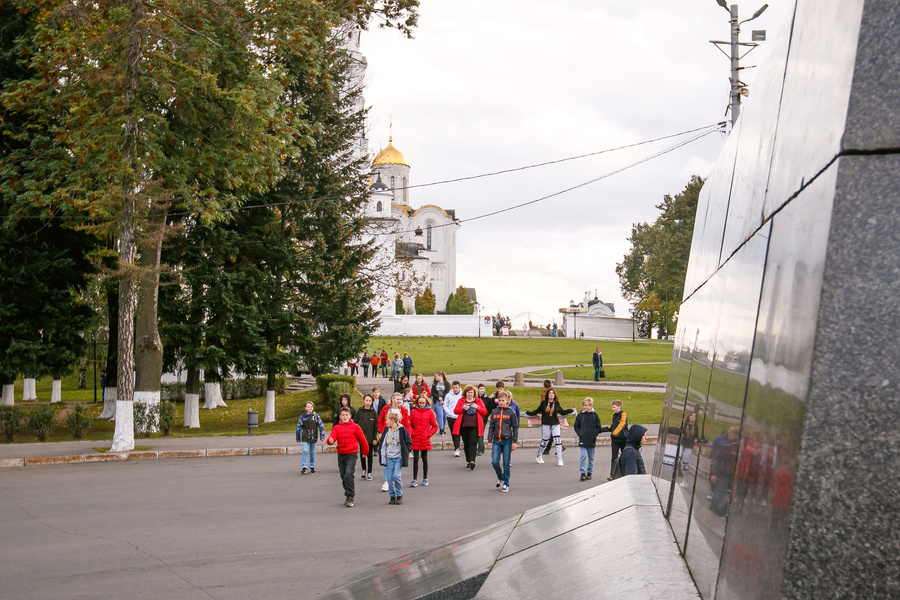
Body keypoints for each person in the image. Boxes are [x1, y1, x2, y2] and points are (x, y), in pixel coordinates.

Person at [326, 407, 369, 508]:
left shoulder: (355, 427)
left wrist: (365, 451)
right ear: (340, 417)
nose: (344, 417)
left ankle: (350, 496)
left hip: (351, 454)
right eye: (343, 415)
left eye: (346, 415)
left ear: (350, 416)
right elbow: (332, 437)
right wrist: (330, 440)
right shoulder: (336, 428)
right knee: (343, 475)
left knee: (348, 474)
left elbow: (362, 440)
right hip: (341, 454)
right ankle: (348, 492)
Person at [526, 388, 573, 467]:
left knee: (557, 440)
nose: (551, 394)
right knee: (545, 441)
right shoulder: (543, 403)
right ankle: (539, 456)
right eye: (550, 393)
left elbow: (561, 411)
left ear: (555, 395)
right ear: (547, 395)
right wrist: (528, 413)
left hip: (555, 424)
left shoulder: (556, 403)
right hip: (546, 424)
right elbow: (536, 411)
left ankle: (560, 459)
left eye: (553, 393)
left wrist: (570, 410)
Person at [486, 389, 519, 492]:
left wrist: (514, 442)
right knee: (495, 461)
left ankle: (506, 483)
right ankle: (500, 477)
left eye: (502, 400)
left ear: (507, 401)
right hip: (496, 440)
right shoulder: (494, 412)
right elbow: (491, 427)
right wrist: (489, 440)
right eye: (499, 400)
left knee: (506, 463)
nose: (501, 402)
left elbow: (515, 427)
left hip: (507, 441)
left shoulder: (511, 412)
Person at [376, 411, 411, 505]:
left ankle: (399, 494)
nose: (386, 422)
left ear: (392, 421)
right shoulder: (386, 431)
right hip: (389, 458)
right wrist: (383, 457)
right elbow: (383, 445)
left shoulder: (402, 430)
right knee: (390, 478)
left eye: (387, 420)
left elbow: (408, 442)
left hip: (398, 458)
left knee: (396, 476)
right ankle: (392, 496)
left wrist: (406, 452)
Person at [452, 384, 487, 470]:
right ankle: (468, 460)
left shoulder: (478, 401)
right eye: (468, 393)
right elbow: (455, 411)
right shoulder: (461, 401)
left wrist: (478, 407)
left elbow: (484, 412)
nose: (470, 394)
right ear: (465, 393)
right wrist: (462, 408)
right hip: (464, 426)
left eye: (471, 393)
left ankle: (472, 461)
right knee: (466, 443)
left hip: (475, 426)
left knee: (473, 442)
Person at [574, 397, 608, 481]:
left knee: (591, 457)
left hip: (591, 439)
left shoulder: (594, 416)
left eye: (586, 405)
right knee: (583, 456)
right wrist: (579, 433)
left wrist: (594, 433)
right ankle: (582, 473)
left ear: (590, 406)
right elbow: (576, 426)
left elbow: (598, 427)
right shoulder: (580, 415)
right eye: (583, 405)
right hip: (583, 439)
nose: (585, 407)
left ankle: (589, 472)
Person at [408, 393, 438, 487]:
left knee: (424, 458)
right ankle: (414, 479)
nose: (421, 404)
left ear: (426, 403)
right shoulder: (413, 412)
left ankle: (425, 478)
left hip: (425, 438)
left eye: (423, 403)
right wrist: (412, 433)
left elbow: (435, 426)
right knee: (415, 459)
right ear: (417, 402)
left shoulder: (430, 412)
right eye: (420, 403)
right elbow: (409, 424)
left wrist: (428, 434)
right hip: (416, 437)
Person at [709, 426, 740, 516]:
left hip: (734, 475)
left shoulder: (740, 449)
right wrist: (714, 473)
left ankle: (722, 513)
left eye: (734, 435)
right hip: (724, 473)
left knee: (730, 497)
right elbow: (718, 459)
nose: (732, 436)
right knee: (719, 493)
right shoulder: (727, 447)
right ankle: (712, 510)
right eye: (731, 434)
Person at [353, 394, 379, 481]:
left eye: (369, 401)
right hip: (361, 437)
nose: (368, 402)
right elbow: (355, 423)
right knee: (362, 454)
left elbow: (376, 426)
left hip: (370, 437)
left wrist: (375, 438)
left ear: (372, 402)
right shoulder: (360, 411)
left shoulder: (373, 413)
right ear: (364, 401)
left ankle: (369, 472)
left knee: (369, 455)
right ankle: (363, 470)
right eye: (366, 400)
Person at [296, 401, 325, 474]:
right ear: (305, 408)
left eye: (311, 407)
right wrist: (298, 437)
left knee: (312, 452)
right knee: (305, 451)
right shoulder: (302, 416)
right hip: (305, 436)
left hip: (313, 436)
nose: (309, 408)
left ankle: (312, 466)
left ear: (313, 408)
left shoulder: (316, 416)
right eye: (308, 407)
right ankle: (304, 467)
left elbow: (321, 426)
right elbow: (298, 426)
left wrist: (322, 436)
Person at [608, 400, 629, 480]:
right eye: (612, 407)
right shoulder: (614, 416)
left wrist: (615, 433)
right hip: (615, 440)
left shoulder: (623, 414)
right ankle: (612, 474)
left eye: (614, 407)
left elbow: (622, 424)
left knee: (624, 456)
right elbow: (613, 427)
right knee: (614, 457)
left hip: (623, 439)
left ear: (619, 407)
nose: (613, 409)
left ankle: (625, 473)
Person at [443, 381, 464, 456]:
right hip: (451, 417)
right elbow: (445, 405)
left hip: (460, 416)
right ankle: (456, 448)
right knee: (454, 433)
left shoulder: (462, 395)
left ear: (459, 387)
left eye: (456, 387)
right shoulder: (448, 395)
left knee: (461, 432)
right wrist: (450, 413)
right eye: (454, 387)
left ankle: (464, 446)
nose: (455, 389)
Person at [476, 383, 495, 456]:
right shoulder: (475, 397)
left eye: (483, 389)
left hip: (483, 419)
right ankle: (482, 447)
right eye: (481, 389)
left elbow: (490, 408)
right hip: (476, 418)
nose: (482, 390)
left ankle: (480, 449)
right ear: (478, 389)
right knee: (478, 433)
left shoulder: (487, 399)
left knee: (480, 433)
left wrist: (486, 415)